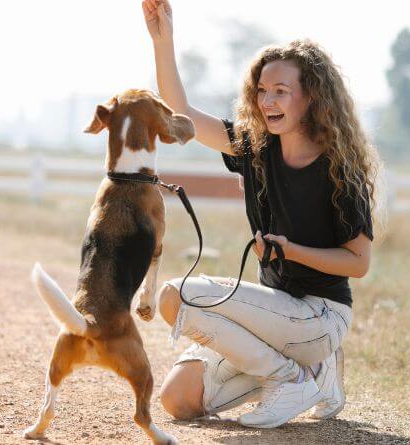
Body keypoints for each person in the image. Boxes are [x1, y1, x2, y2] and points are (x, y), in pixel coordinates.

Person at [141, 0, 381, 429]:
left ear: (311, 98)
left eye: (281, 91)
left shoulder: (340, 169)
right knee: (178, 400)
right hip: (275, 315)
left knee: (174, 296)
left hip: (321, 317)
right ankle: (314, 376)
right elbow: (182, 115)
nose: (267, 100)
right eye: (262, 90)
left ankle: (290, 377)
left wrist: (293, 251)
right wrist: (164, 40)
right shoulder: (255, 148)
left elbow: (359, 263)